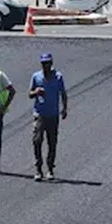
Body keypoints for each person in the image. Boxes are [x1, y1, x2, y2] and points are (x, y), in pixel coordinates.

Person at [28, 52, 68, 182]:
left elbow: (63, 93)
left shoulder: (58, 77)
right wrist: (36, 92)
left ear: (51, 63)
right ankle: (38, 169)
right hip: (39, 114)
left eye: (47, 63)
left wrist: (64, 108)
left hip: (53, 115)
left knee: (52, 142)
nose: (45, 65)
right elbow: (30, 94)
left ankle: (50, 168)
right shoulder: (36, 76)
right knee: (37, 141)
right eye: (43, 63)